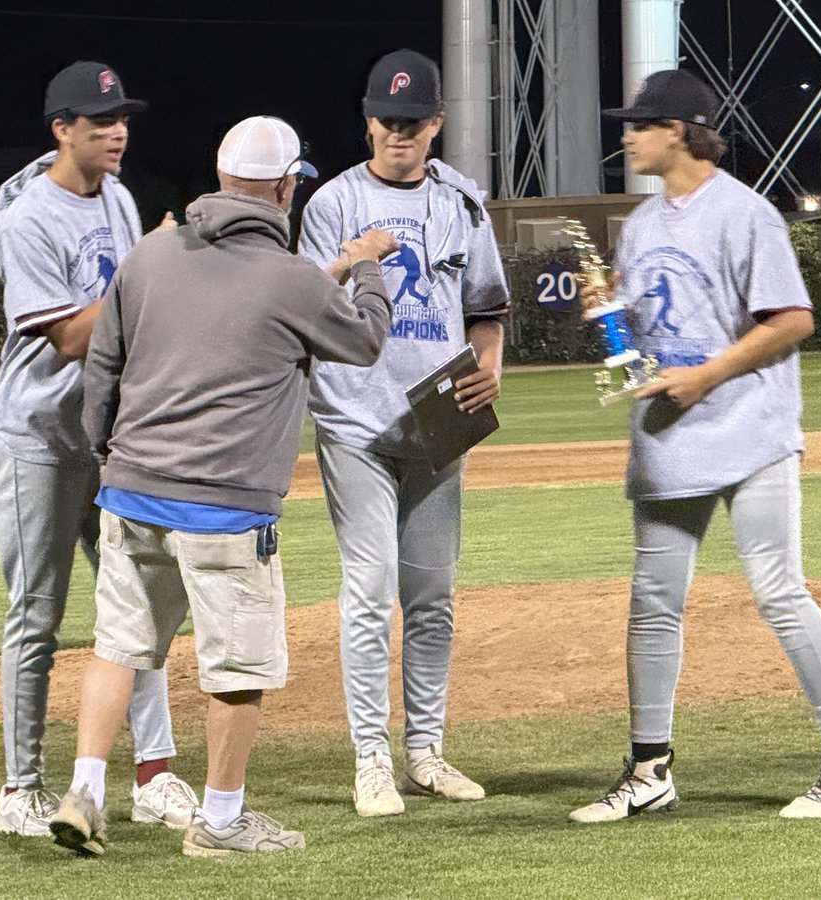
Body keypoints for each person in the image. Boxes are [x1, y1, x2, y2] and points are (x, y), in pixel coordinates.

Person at [47, 115, 396, 858]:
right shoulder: (292, 276)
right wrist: (367, 263)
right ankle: (223, 819)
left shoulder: (152, 253)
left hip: (132, 491)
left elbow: (102, 365)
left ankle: (83, 789)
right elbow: (364, 341)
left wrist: (107, 454)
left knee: (118, 646)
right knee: (237, 667)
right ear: (283, 186)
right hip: (227, 505)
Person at [569, 68, 821, 824]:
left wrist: (709, 375)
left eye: (638, 125)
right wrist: (608, 312)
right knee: (653, 605)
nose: (626, 136)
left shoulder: (743, 214)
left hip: (750, 431)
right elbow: (646, 329)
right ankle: (649, 771)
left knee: (778, 590)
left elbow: (792, 320)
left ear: (677, 130)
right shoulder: (642, 225)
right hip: (670, 437)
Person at [0, 60, 195, 837]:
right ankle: (19, 791)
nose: (116, 131)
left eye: (121, 118)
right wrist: (150, 269)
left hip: (105, 442)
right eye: (97, 120)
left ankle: (156, 774)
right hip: (33, 438)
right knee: (37, 617)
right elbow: (71, 336)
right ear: (60, 131)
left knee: (135, 609)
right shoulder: (32, 216)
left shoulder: (121, 200)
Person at [298, 49, 511, 817]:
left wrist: (490, 365)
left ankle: (425, 751)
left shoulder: (463, 201)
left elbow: (487, 305)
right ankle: (370, 759)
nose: (399, 133)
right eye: (387, 121)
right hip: (355, 417)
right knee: (368, 589)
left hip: (439, 415)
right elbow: (306, 303)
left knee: (433, 593)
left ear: (436, 124)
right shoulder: (332, 205)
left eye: (413, 122)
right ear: (367, 122)